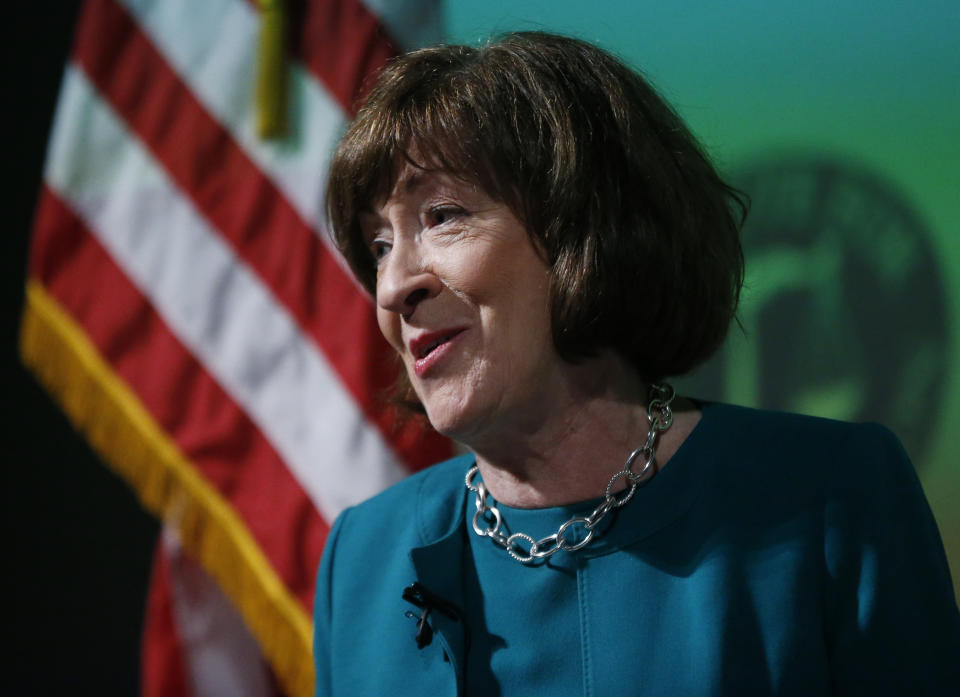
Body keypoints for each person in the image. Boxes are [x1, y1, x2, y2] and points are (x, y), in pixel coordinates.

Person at [314, 32, 959, 696]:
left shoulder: (828, 500)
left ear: (584, 228)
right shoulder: (361, 559)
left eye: (443, 215)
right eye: (380, 243)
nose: (392, 287)